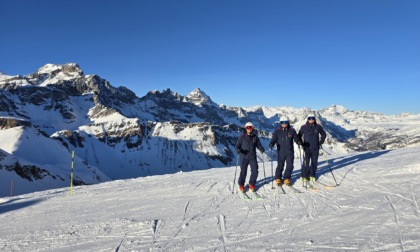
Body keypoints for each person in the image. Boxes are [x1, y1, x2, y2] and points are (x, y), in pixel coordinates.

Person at [269, 116, 302, 186]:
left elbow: (296, 138)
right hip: (281, 151)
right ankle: (278, 177)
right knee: (280, 165)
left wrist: (298, 141)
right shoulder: (277, 131)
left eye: (286, 122)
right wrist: (271, 143)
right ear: (280, 123)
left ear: (288, 122)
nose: (284, 124)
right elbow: (274, 139)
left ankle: (286, 178)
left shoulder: (292, 130)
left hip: (290, 151)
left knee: (290, 165)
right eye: (282, 122)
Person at [235, 122, 265, 192]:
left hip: (252, 157)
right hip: (244, 156)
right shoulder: (242, 137)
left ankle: (252, 184)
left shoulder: (255, 137)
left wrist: (261, 148)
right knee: (243, 171)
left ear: (252, 128)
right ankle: (241, 185)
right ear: (245, 128)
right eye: (247, 127)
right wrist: (238, 150)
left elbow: (258, 144)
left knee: (255, 171)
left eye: (250, 127)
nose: (249, 129)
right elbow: (237, 146)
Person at [298, 114, 327, 183]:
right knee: (306, 163)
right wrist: (301, 143)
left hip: (315, 148)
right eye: (310, 118)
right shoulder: (303, 127)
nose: (311, 119)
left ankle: (312, 175)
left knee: (314, 162)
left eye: (313, 118)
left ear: (314, 119)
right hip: (307, 148)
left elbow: (324, 134)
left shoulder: (318, 127)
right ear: (307, 119)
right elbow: (299, 136)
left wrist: (321, 141)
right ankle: (304, 175)